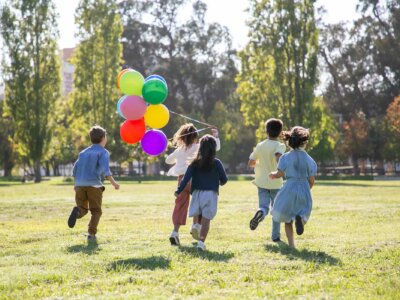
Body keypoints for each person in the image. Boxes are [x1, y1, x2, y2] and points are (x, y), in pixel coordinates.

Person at [166, 123, 220, 245]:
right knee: (200, 203)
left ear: (182, 137)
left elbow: (168, 160)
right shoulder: (198, 147)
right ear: (195, 137)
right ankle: (196, 225)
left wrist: (178, 156)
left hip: (181, 181)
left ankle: (175, 232)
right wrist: (215, 136)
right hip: (196, 180)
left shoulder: (179, 150)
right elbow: (215, 147)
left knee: (180, 206)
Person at [175, 135, 228, 251]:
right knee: (206, 220)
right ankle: (201, 242)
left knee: (198, 213)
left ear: (200, 148)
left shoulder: (194, 163)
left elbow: (185, 179)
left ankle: (195, 225)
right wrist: (218, 182)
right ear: (213, 149)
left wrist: (178, 190)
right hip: (210, 194)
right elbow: (224, 179)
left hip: (196, 193)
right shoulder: (217, 163)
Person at [68, 125, 120, 242]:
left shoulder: (83, 153)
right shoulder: (103, 152)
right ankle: (91, 234)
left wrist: (76, 185)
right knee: (96, 211)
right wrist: (114, 183)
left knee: (83, 209)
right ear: (103, 138)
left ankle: (77, 212)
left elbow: (75, 170)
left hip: (80, 185)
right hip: (94, 186)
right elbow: (106, 170)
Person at [269, 126, 317, 248]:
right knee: (302, 212)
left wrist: (273, 174)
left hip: (289, 187)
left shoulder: (285, 157)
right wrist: (306, 189)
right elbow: (312, 180)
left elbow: (279, 174)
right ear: (304, 143)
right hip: (304, 188)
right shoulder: (310, 160)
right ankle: (300, 220)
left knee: (287, 218)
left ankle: (291, 245)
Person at [248, 118, 286, 242]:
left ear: (266, 131)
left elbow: (251, 163)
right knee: (276, 210)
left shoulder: (260, 145)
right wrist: (279, 169)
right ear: (280, 132)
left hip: (261, 182)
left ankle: (260, 212)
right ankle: (275, 236)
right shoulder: (280, 145)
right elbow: (278, 157)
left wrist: (260, 164)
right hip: (275, 182)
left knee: (264, 206)